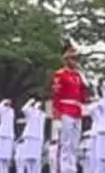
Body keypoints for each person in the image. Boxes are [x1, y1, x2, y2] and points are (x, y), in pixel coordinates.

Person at [51, 42, 89, 173]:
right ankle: (65, 169)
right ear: (66, 59)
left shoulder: (78, 75)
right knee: (66, 143)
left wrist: (85, 82)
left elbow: (84, 96)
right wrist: (56, 115)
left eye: (76, 58)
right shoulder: (60, 74)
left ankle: (71, 168)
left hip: (77, 111)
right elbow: (56, 94)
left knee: (74, 143)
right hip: (65, 110)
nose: (75, 61)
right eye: (72, 58)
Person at [20, 97, 45, 173]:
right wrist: (30, 102)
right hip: (30, 137)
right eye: (38, 105)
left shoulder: (43, 115)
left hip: (38, 138)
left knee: (36, 159)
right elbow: (24, 109)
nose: (39, 106)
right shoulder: (31, 112)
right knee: (28, 159)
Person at [0, 98, 15, 173]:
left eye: (9, 103)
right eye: (7, 103)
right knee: (0, 157)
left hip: (9, 134)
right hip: (2, 133)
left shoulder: (11, 110)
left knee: (7, 158)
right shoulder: (1, 109)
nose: (8, 104)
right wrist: (2, 103)